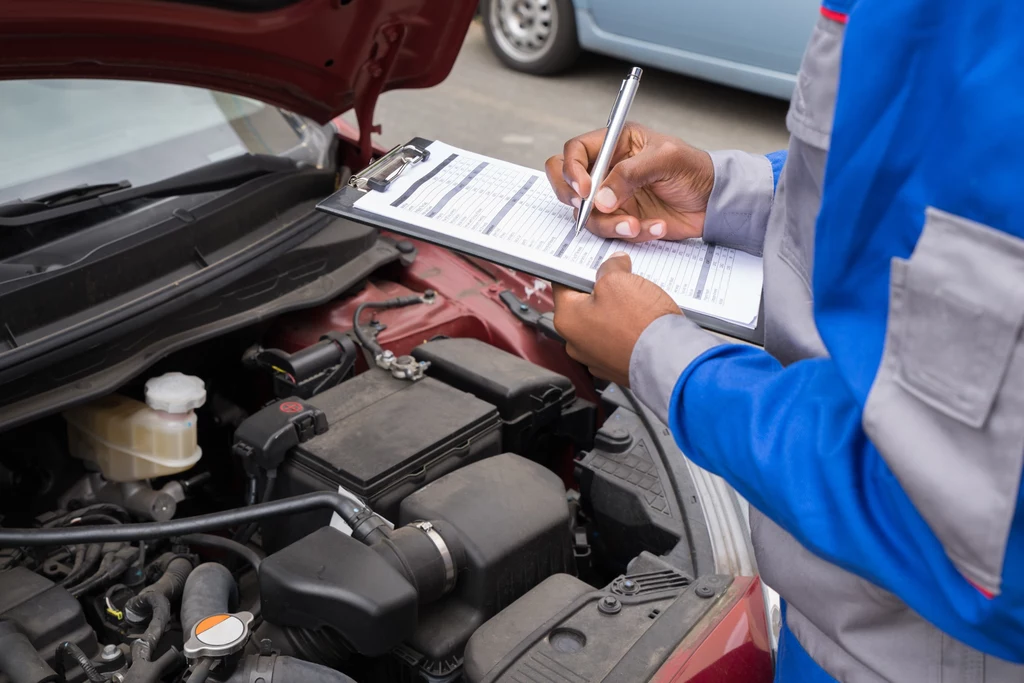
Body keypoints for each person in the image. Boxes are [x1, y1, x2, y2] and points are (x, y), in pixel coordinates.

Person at [545, 1, 1024, 680]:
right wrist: (725, 194)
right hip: (827, 623)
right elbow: (897, 201)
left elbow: (974, 535)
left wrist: (670, 364)